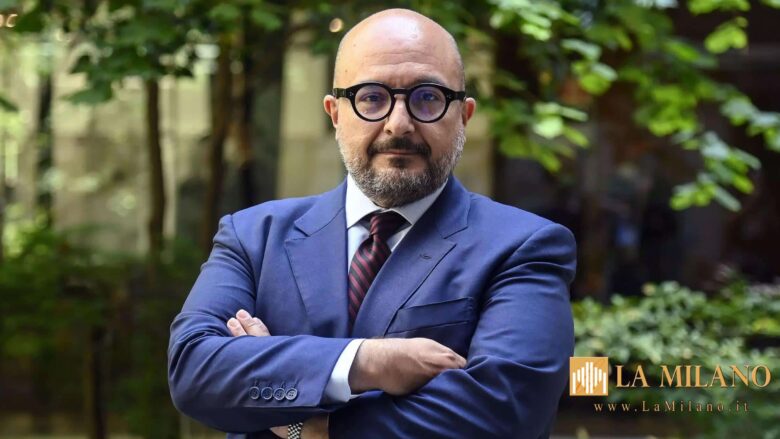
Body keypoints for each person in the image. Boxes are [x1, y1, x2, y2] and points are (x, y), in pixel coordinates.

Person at [168, 8, 576, 439]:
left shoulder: (525, 247)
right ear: (335, 113)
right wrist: (367, 362)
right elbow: (194, 370)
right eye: (372, 98)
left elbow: (506, 412)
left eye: (427, 97)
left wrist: (310, 423)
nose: (398, 124)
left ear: (464, 116)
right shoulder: (253, 236)